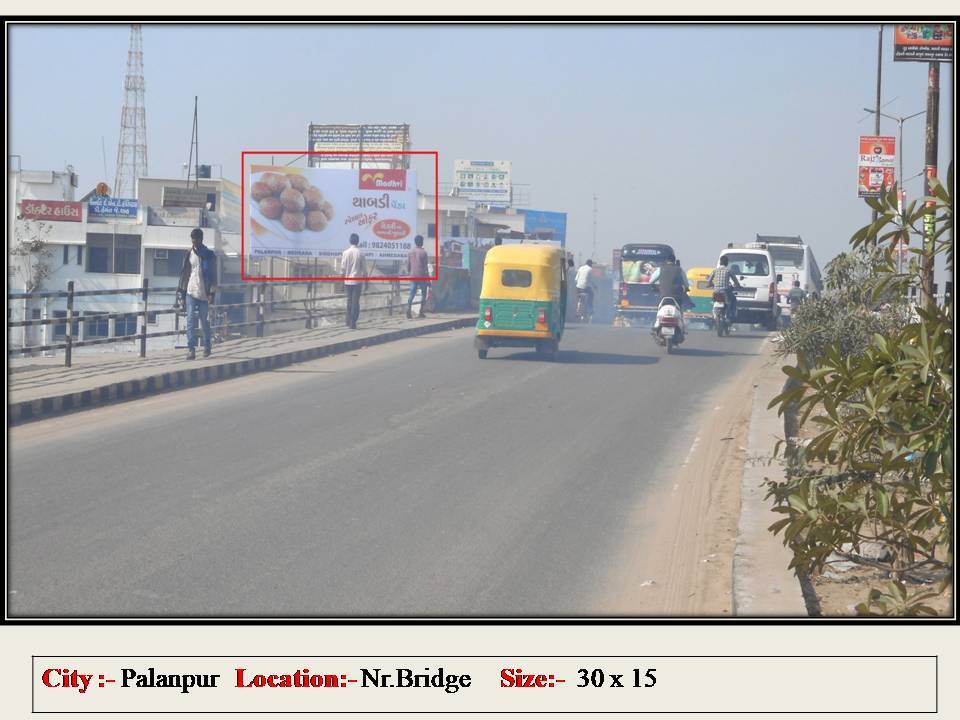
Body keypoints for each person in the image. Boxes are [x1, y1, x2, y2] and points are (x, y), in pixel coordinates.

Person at [177, 228, 217, 359]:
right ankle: (191, 349)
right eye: (192, 239)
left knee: (204, 321)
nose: (194, 241)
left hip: (204, 293)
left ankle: (207, 346)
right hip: (191, 291)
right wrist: (182, 293)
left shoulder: (209, 255)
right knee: (190, 320)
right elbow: (185, 274)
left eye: (196, 239)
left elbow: (213, 276)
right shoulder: (189, 254)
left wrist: (212, 293)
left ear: (201, 239)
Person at [341, 233, 367, 329]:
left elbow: (342, 269)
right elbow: (364, 269)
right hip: (357, 281)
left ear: (350, 241)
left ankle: (348, 321)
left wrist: (341, 282)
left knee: (349, 300)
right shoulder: (361, 253)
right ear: (358, 241)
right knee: (355, 302)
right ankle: (353, 322)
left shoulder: (345, 253)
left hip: (347, 281)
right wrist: (366, 282)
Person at [707, 255, 742, 322]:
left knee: (712, 301)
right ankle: (732, 313)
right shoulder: (728, 270)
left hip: (716, 291)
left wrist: (710, 285)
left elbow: (709, 281)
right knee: (733, 299)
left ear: (720, 262)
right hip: (725, 291)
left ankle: (712, 314)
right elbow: (735, 280)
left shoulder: (714, 270)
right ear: (727, 263)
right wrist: (738, 285)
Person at [406, 235, 430, 319]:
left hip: (413, 276)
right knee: (424, 294)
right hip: (422, 276)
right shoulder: (424, 252)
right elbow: (425, 268)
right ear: (421, 242)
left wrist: (410, 273)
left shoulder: (410, 252)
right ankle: (421, 312)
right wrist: (428, 279)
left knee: (411, 294)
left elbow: (408, 266)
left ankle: (408, 310)